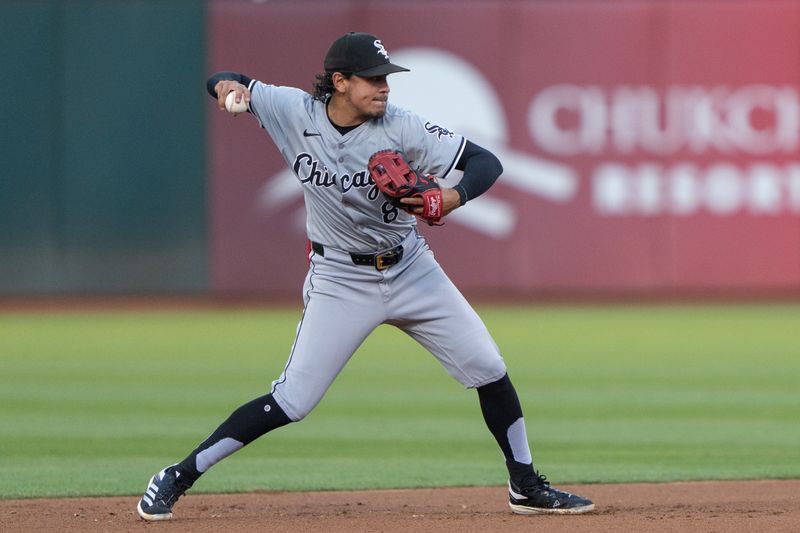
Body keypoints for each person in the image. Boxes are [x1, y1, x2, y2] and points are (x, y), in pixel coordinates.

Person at [136, 31, 594, 521]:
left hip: (412, 268)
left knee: (488, 367)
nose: (385, 88)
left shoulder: (403, 128)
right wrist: (229, 89)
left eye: (386, 78)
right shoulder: (292, 111)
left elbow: (486, 162)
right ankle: (177, 475)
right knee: (293, 401)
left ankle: (525, 484)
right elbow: (225, 80)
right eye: (373, 79)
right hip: (339, 278)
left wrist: (451, 197)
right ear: (340, 82)